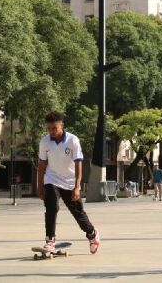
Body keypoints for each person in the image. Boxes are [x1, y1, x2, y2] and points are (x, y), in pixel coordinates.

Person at [37, 110, 100, 256]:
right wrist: (39, 186)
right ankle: (50, 241)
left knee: (78, 214)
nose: (52, 131)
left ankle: (92, 234)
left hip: (70, 181)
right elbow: (41, 165)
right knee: (51, 207)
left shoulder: (73, 140)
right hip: (51, 179)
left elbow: (78, 164)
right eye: (49, 128)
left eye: (55, 128)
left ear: (62, 126)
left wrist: (77, 187)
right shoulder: (44, 142)